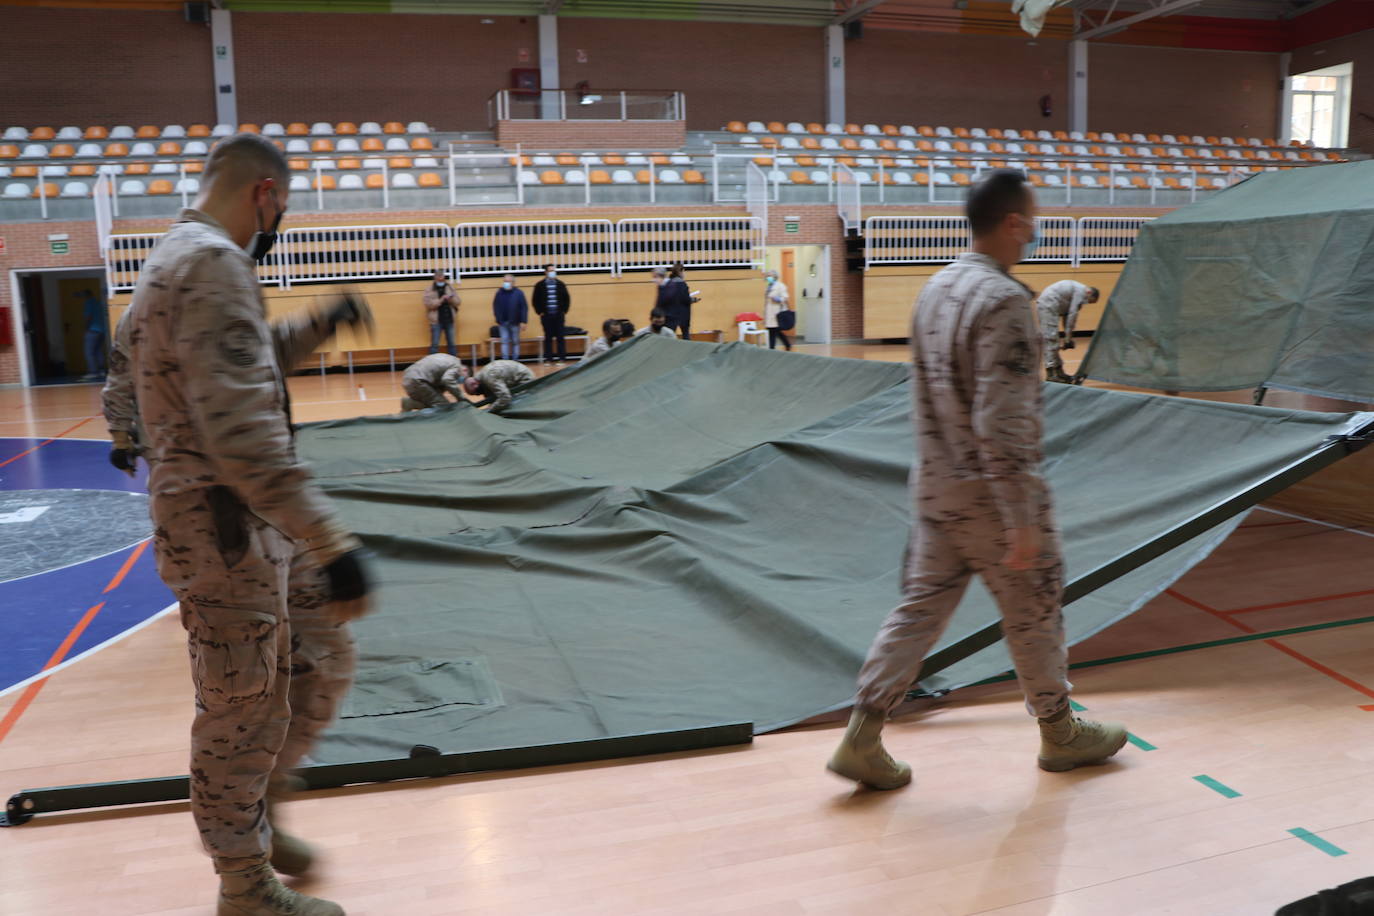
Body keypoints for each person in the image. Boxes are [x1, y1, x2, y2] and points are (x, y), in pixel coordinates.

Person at [125, 132, 377, 916]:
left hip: (245, 521)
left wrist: (317, 324)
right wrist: (333, 541)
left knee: (324, 654)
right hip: (224, 525)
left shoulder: (177, 254)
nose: (277, 224)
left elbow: (233, 363)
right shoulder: (212, 262)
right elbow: (242, 430)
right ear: (264, 194)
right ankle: (244, 887)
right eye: (282, 209)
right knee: (243, 706)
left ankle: (262, 812)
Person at [826, 170, 1127, 791]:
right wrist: (1020, 517)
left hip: (936, 488)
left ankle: (863, 734)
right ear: (1014, 223)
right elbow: (1003, 419)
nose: (1036, 230)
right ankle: (1061, 733)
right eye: (1034, 218)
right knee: (1036, 608)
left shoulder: (936, 287)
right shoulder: (1005, 301)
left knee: (919, 610)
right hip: (992, 498)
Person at [101, 308, 141, 477]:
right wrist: (120, 443)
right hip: (175, 438)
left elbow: (119, 383)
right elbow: (120, 381)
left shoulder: (138, 311)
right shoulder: (140, 312)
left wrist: (120, 443)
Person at [1036, 280, 1098, 383]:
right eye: (1088, 301)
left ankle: (1059, 372)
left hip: (1050, 305)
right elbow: (1072, 314)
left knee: (1054, 340)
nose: (1085, 303)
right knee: (1051, 340)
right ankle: (1051, 373)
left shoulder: (1077, 291)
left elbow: (1067, 316)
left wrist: (1067, 337)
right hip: (1048, 305)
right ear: (1089, 293)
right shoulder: (1081, 292)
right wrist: (1068, 338)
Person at [462, 358, 535, 413]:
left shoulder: (489, 377)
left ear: (475, 384)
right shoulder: (480, 379)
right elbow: (490, 396)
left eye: (476, 392)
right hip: (514, 380)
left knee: (515, 406)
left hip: (524, 379)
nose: (478, 394)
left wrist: (488, 411)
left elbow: (505, 397)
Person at [400, 353, 468, 410]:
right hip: (418, 380)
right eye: (464, 378)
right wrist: (461, 397)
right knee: (443, 407)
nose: (461, 381)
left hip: (410, 376)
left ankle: (411, 403)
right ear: (465, 370)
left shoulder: (450, 359)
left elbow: (440, 388)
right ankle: (411, 403)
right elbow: (447, 380)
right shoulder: (457, 366)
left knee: (435, 402)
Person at [532, 264, 570, 363]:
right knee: (548, 337)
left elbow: (567, 299)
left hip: (559, 315)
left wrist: (564, 311)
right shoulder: (540, 285)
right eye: (550, 270)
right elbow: (535, 300)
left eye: (554, 270)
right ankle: (548, 359)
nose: (553, 272)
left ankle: (561, 358)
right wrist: (540, 312)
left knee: (560, 337)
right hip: (546, 315)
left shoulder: (560, 284)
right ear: (546, 272)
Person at [492, 272, 527, 361]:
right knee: (504, 342)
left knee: (515, 342)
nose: (506, 283)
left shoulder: (519, 293)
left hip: (515, 322)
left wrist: (524, 321)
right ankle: (505, 361)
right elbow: (495, 306)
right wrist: (498, 319)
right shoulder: (499, 293)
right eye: (505, 281)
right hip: (502, 322)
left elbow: (524, 307)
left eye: (508, 281)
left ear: (513, 282)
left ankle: (515, 360)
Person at [424, 269, 460, 356]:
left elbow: (458, 302)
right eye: (438, 276)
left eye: (442, 276)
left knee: (451, 343)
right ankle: (432, 364)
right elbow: (428, 304)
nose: (440, 278)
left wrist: (450, 299)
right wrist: (440, 300)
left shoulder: (449, 287)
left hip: (449, 319)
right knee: (435, 344)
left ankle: (454, 363)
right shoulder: (429, 290)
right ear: (435, 278)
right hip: (436, 321)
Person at [653, 266, 692, 338]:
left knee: (670, 336)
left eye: (655, 277)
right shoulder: (663, 286)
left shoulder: (670, 285)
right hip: (672, 316)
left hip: (671, 317)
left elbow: (666, 301)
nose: (653, 279)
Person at [762, 269, 793, 351]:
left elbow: (785, 298)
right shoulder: (768, 287)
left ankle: (774, 348)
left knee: (775, 330)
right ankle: (782, 345)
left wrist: (777, 299)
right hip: (769, 311)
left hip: (777, 311)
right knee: (772, 330)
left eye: (770, 275)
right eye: (767, 275)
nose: (768, 277)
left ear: (775, 276)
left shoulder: (780, 286)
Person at [82, 288, 108, 379]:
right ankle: (102, 371)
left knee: (89, 352)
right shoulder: (99, 303)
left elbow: (88, 317)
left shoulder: (88, 303)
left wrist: (85, 329)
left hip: (92, 330)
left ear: (86, 295)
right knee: (98, 351)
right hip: (102, 331)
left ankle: (93, 372)